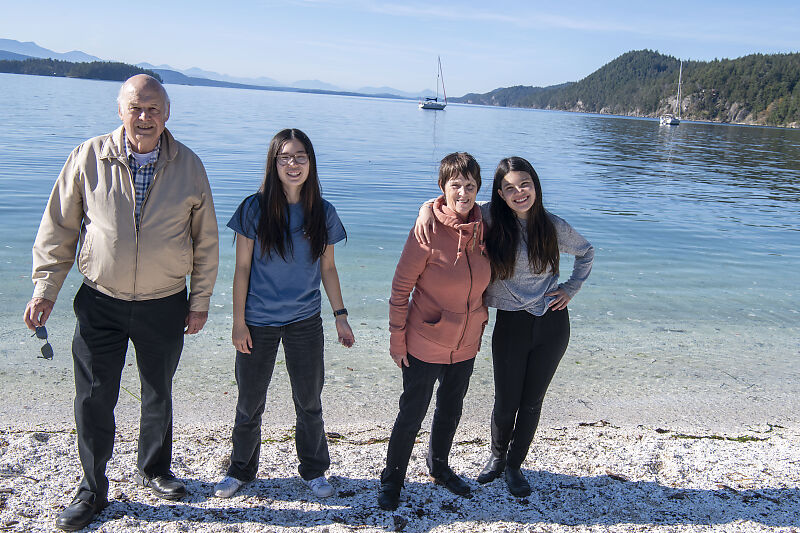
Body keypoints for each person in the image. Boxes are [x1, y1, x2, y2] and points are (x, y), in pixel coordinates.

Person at [23, 74, 219, 531]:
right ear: (121, 112)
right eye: (136, 108)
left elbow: (205, 242)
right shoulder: (88, 156)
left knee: (158, 391)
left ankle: (154, 468)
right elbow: (58, 229)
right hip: (100, 300)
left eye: (153, 108)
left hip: (165, 301)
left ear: (167, 114)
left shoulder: (189, 166)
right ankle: (92, 488)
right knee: (93, 397)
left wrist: (200, 300)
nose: (145, 117)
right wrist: (45, 289)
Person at [415, 156, 593, 497]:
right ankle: (497, 458)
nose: (519, 192)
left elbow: (586, 252)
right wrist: (426, 210)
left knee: (531, 401)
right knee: (506, 399)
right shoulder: (491, 217)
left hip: (552, 323)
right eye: (509, 187)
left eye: (524, 184)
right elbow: (450, 202)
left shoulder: (553, 225)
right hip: (510, 322)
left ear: (535, 186)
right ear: (500, 192)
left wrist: (570, 288)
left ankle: (514, 465)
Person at [213, 128, 355, 500]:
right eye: (285, 157)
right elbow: (241, 270)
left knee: (309, 400)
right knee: (250, 401)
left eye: (300, 157)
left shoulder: (322, 212)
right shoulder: (254, 208)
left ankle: (314, 470)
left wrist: (340, 315)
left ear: (310, 162)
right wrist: (238, 321)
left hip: (305, 321)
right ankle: (240, 470)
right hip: (257, 321)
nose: (293, 164)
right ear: (274, 163)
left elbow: (328, 269)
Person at [378, 152, 491, 511]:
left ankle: (439, 467)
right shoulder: (426, 228)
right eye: (455, 185)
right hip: (424, 341)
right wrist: (397, 340)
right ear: (442, 187)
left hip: (467, 343)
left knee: (451, 409)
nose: (463, 192)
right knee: (412, 413)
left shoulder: (487, 225)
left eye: (470, 186)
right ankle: (392, 479)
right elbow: (400, 290)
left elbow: (517, 206)